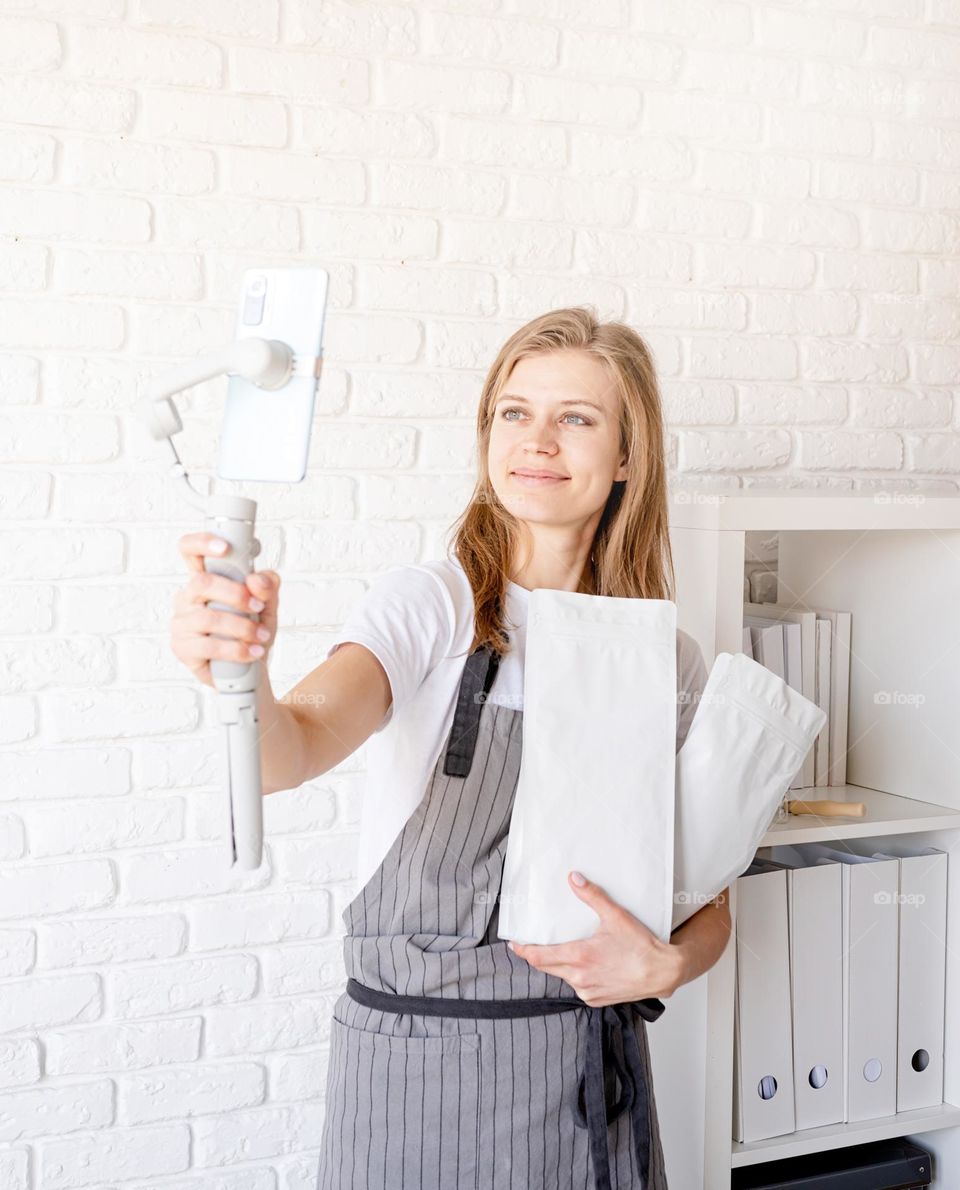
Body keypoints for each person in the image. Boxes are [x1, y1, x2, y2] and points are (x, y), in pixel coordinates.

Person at [171, 306, 732, 1189]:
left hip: (593, 1085)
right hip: (417, 1082)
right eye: (514, 412)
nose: (537, 440)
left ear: (628, 456)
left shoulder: (662, 657)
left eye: (575, 418)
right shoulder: (429, 606)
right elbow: (296, 747)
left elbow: (709, 903)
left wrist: (670, 962)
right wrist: (239, 673)